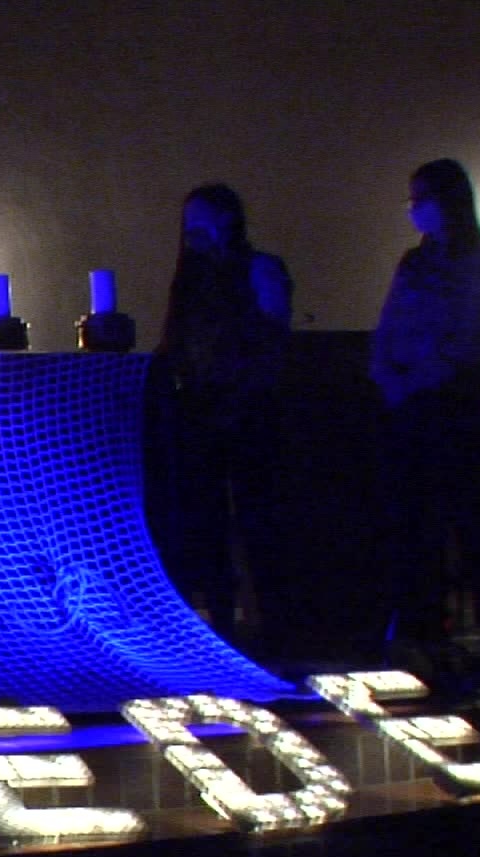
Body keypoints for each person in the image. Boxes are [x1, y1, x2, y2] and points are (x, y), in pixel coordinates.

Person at [370, 158, 480, 667]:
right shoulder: (414, 263)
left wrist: (419, 374)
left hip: (453, 400)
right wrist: (386, 374)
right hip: (410, 400)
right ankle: (425, 621)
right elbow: (390, 322)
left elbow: (472, 336)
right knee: (416, 516)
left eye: (422, 200)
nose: (414, 210)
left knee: (465, 510)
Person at [148, 183, 293, 644]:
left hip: (248, 410)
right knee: (204, 520)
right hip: (199, 411)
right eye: (188, 221)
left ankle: (270, 621)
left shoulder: (258, 269)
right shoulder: (189, 283)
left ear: (228, 220)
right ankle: (220, 619)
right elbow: (175, 343)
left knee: (257, 517)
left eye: (203, 219)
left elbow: (274, 335)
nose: (193, 230)